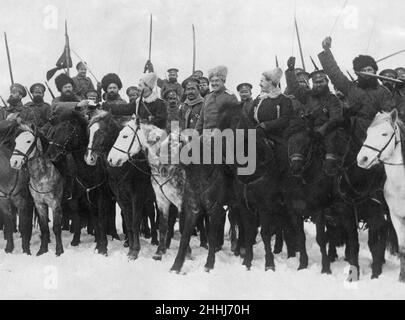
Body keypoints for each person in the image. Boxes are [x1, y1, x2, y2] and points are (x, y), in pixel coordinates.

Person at [318, 36, 394, 143]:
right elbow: (334, 73)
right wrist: (326, 51)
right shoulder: (351, 88)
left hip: (376, 138)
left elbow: (388, 117)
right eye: (363, 70)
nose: (367, 72)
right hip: (353, 135)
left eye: (369, 69)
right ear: (358, 73)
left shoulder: (383, 91)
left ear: (375, 71)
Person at [285, 57, 343, 170]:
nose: (318, 84)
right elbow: (294, 87)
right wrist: (290, 70)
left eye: (321, 81)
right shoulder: (307, 95)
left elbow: (335, 119)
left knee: (332, 142)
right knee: (297, 139)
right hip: (309, 130)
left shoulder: (333, 99)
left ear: (327, 82)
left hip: (328, 131)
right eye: (316, 82)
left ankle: (331, 168)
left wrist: (321, 131)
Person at [249, 67, 293, 174]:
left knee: (282, 157)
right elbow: (250, 116)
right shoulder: (258, 99)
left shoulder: (284, 99)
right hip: (257, 133)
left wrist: (266, 125)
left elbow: (285, 119)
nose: (259, 84)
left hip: (277, 136)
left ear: (271, 82)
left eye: (262, 81)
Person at [195, 65, 238, 134]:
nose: (214, 83)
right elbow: (201, 120)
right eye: (212, 81)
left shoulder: (230, 97)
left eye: (217, 81)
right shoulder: (207, 97)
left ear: (223, 81)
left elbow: (234, 122)